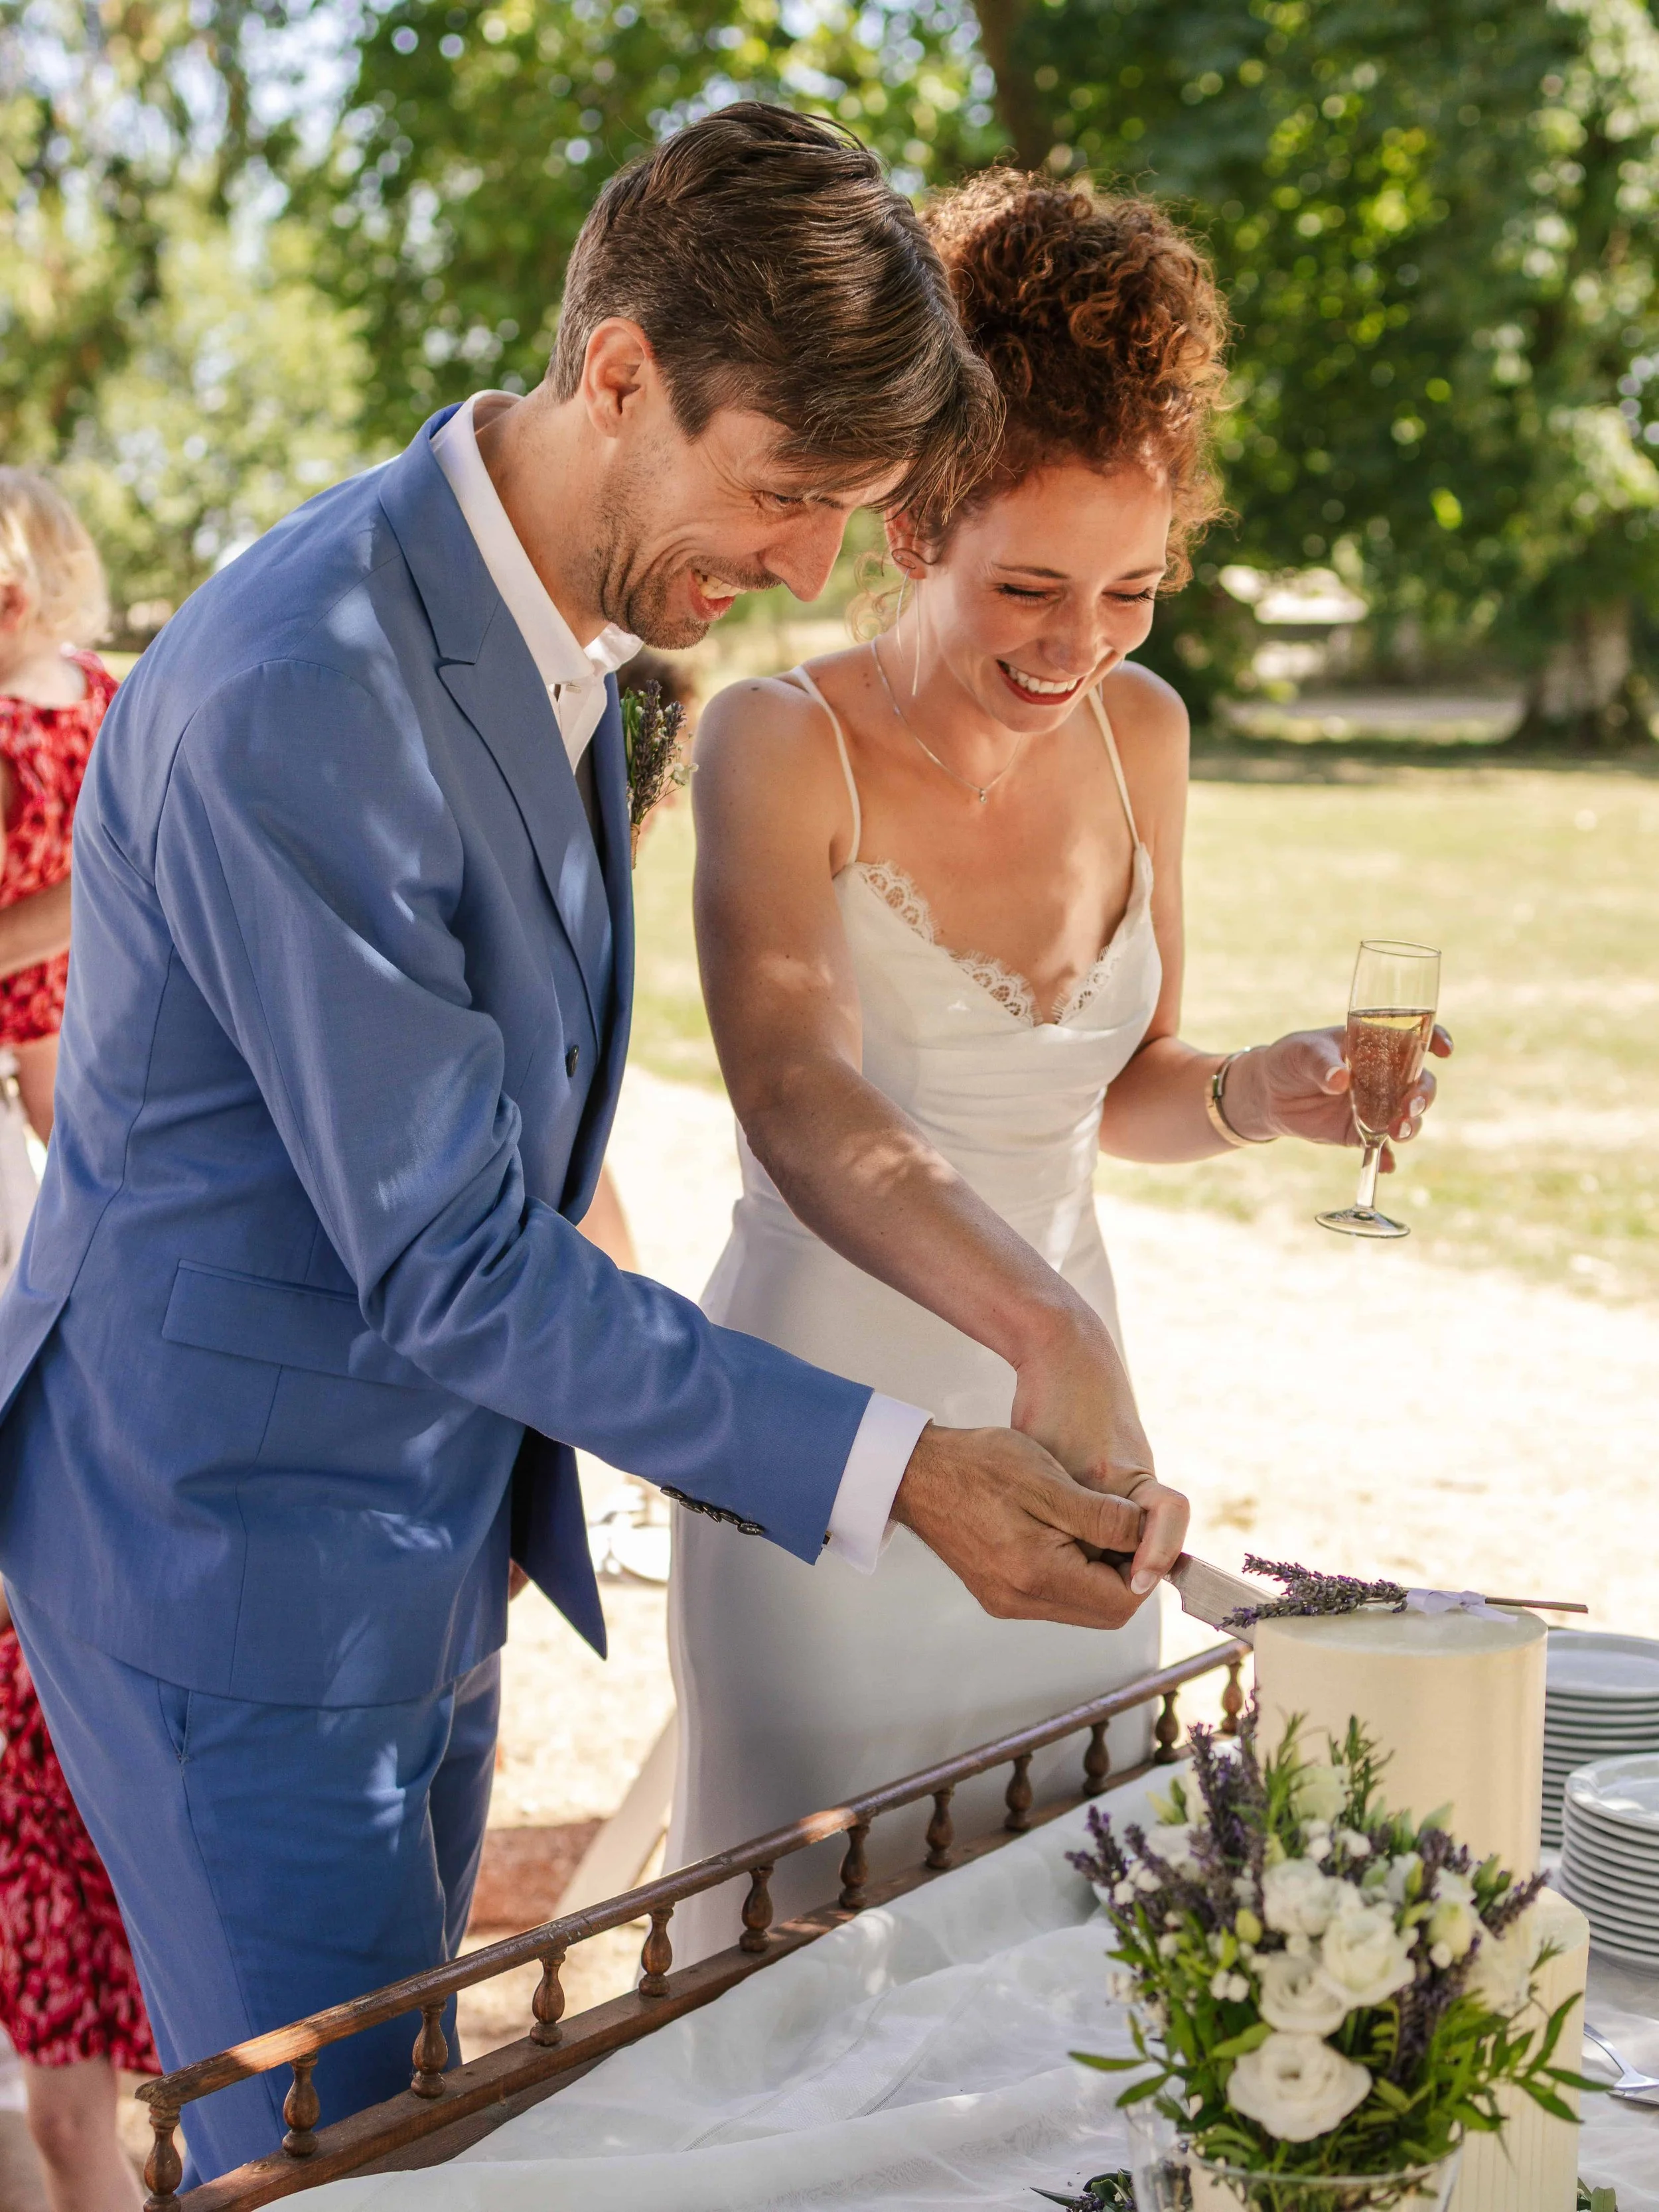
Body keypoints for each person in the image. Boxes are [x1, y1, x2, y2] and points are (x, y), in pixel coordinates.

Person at [0, 109, 1187, 2186]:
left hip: (399, 1517)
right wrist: (900, 1467)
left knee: (407, 2128)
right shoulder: (319, 683)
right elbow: (458, 1252)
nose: (811, 568)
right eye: (787, 494)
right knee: (344, 2165)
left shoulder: (532, 610)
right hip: (235, 1554)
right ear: (623, 373)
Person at [668, 171, 1449, 1950]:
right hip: (831, 1458)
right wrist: (1053, 1328)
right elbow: (800, 1099)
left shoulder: (1141, 736)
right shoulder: (778, 747)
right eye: (1029, 583)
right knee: (802, 1996)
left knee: (1056, 1962)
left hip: (1077, 1441)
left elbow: (1122, 1082)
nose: (1079, 644)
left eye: (1131, 590)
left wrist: (1264, 1088)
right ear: (909, 524)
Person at [0, 472, 118, 1144]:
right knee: (69, 1134)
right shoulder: (93, 686)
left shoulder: (6, 737)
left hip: (14, 985)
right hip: (75, 974)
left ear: (9, 603)